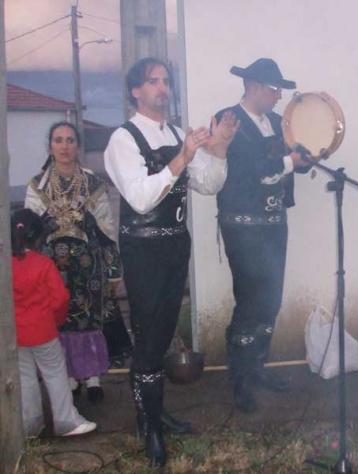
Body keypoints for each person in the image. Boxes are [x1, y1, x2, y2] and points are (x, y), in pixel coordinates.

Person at [104, 57, 239, 467]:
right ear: (135, 91)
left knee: (161, 336)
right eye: (153, 81)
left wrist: (219, 148)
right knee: (148, 339)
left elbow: (209, 184)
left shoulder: (178, 133)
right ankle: (151, 429)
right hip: (143, 251)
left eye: (166, 81)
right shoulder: (123, 139)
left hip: (175, 245)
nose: (163, 87)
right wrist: (182, 157)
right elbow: (141, 198)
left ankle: (153, 414)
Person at [215, 58, 313, 414]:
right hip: (242, 226)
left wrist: (304, 158)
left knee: (271, 300)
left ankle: (257, 367)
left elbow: (286, 166)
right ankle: (240, 379)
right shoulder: (228, 121)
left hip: (273, 222)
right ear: (254, 86)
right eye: (274, 89)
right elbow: (255, 170)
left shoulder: (276, 122)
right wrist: (290, 162)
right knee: (250, 302)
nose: (278, 96)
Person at [25, 121, 132, 404]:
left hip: (89, 266)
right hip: (51, 268)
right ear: (50, 146)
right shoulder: (37, 185)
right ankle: (69, 379)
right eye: (58, 140)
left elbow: (107, 229)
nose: (64, 146)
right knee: (59, 321)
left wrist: (113, 270)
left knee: (89, 319)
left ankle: (93, 377)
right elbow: (29, 233)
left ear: (78, 146)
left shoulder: (93, 183)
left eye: (70, 140)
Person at [11, 208, 97, 437]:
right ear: (38, 237)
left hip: (15, 335)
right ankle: (66, 421)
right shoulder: (43, 263)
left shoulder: (5, 264)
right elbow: (60, 298)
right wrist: (56, 320)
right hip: (43, 331)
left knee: (25, 378)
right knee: (55, 374)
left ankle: (30, 425)